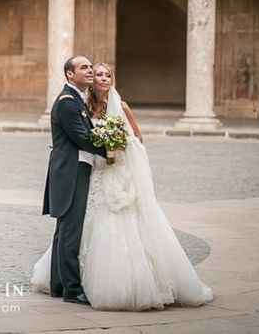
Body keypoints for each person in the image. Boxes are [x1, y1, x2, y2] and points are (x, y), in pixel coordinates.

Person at [32, 63, 214, 311]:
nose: (102, 78)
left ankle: (86, 284)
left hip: (113, 172)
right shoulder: (80, 104)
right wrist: (104, 148)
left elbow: (137, 140)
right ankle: (67, 283)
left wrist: (117, 149)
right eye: (97, 73)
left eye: (107, 74)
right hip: (90, 172)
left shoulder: (121, 106)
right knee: (76, 226)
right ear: (89, 79)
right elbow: (81, 136)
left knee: (102, 223)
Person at [39, 56, 107, 305]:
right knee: (70, 233)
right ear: (69, 74)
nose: (89, 71)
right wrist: (112, 150)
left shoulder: (75, 98)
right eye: (84, 68)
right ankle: (72, 289)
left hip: (72, 170)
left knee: (63, 231)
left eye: (90, 67)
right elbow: (82, 138)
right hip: (71, 173)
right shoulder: (68, 102)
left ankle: (58, 285)